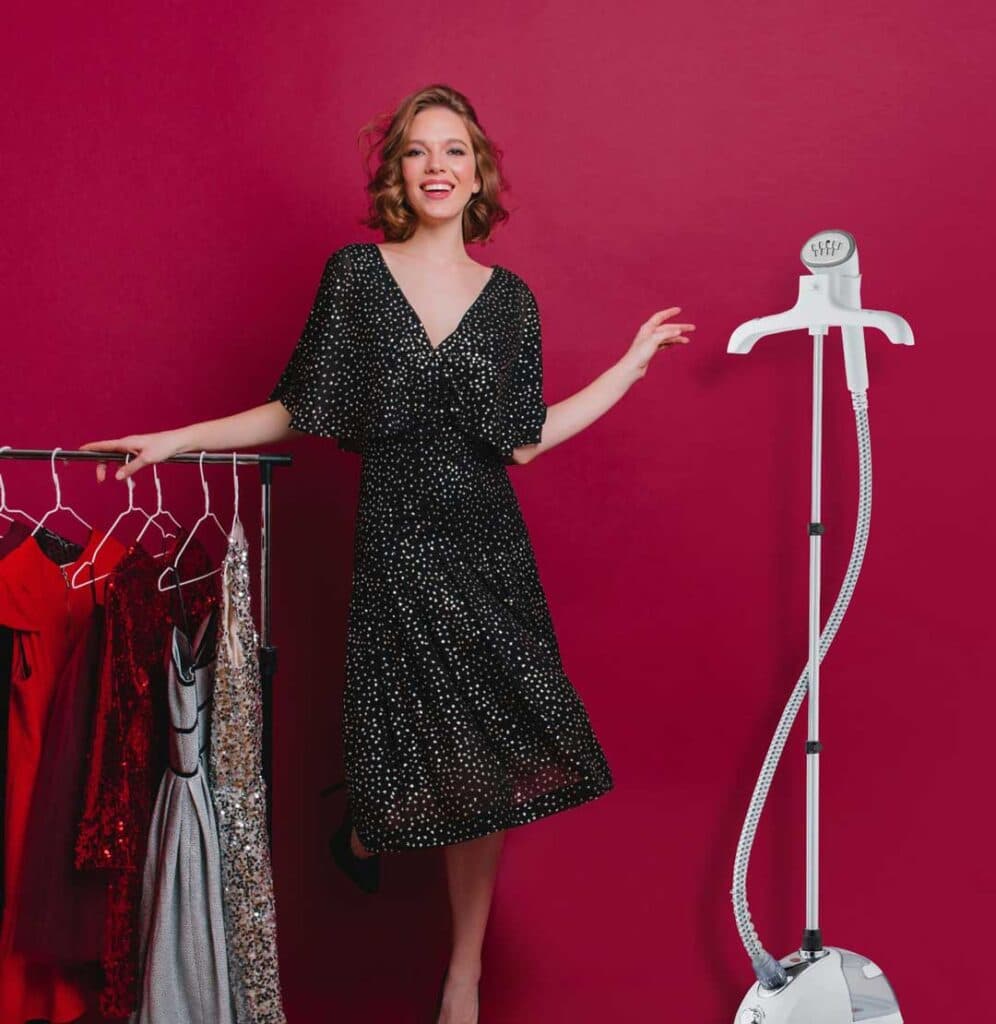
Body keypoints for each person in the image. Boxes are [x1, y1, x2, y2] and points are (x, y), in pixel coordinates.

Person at [81, 83, 695, 1024]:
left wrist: (628, 367)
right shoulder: (357, 279)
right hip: (397, 547)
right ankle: (365, 820)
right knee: (405, 746)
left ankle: (463, 973)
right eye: (418, 151)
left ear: (478, 174)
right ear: (398, 176)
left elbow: (523, 441)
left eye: (454, 151)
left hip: (488, 554)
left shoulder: (511, 301)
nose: (437, 166)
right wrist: (175, 439)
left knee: (486, 757)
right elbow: (300, 407)